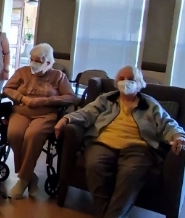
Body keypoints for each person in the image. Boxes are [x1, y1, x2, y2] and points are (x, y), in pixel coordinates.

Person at [54, 65, 185, 218]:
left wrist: (178, 136)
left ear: (140, 83)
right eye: (121, 79)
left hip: (138, 147)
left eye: (131, 79)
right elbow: (86, 112)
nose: (125, 82)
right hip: (103, 143)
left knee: (130, 174)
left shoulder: (150, 104)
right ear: (116, 83)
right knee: (94, 165)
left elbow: (167, 123)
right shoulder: (106, 99)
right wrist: (66, 118)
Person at [3, 43, 76, 199]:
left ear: (48, 62)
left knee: (33, 135)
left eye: (38, 61)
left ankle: (22, 180)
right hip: (21, 111)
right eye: (32, 60)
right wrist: (22, 98)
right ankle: (30, 176)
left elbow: (70, 97)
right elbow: (8, 88)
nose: (33, 64)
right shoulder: (22, 72)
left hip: (46, 115)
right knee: (14, 133)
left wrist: (45, 101)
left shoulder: (58, 76)